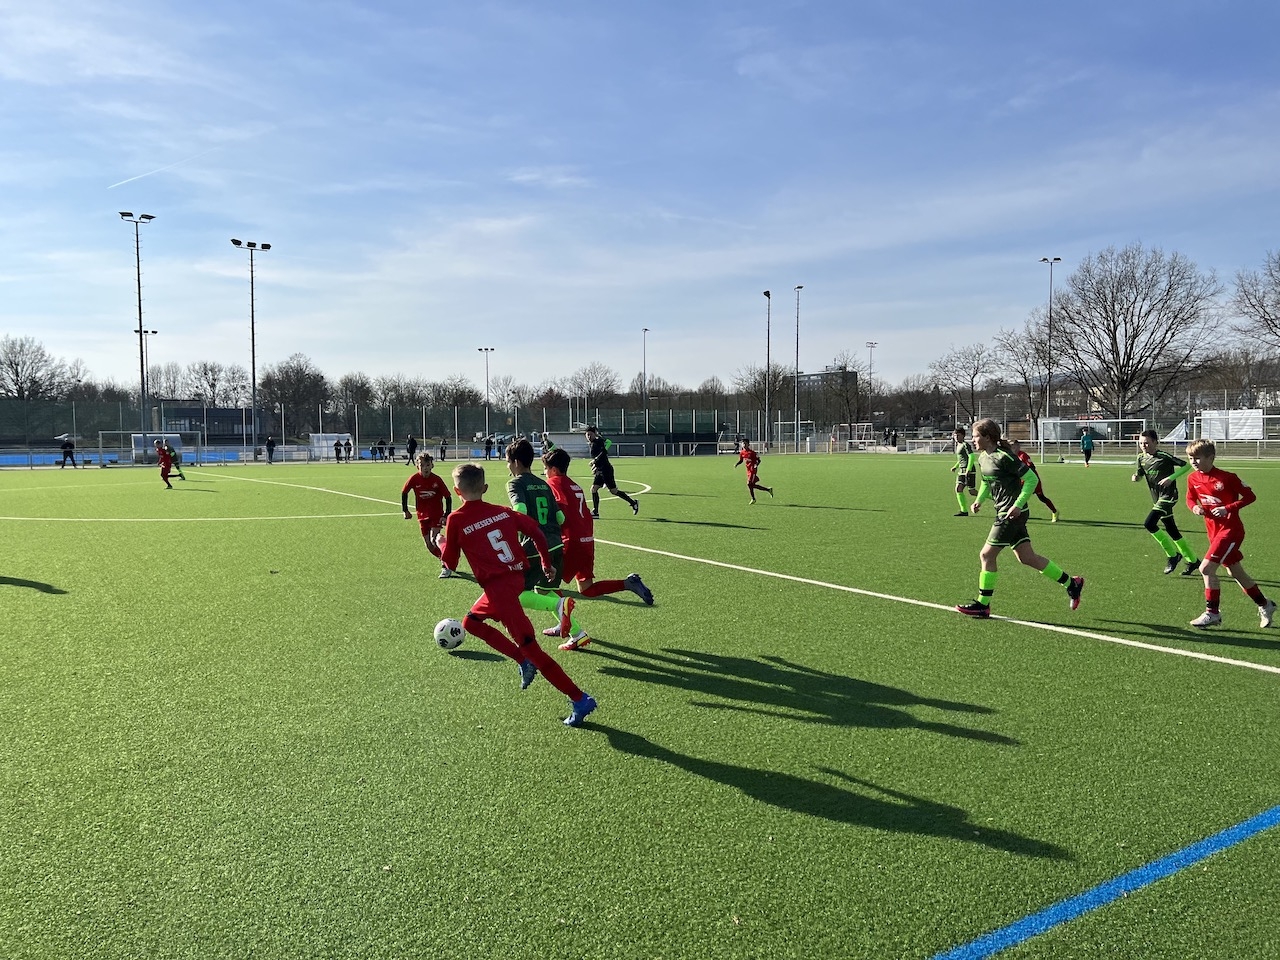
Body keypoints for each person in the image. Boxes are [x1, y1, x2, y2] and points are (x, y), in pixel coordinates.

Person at [439, 462, 598, 727]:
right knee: (471, 623)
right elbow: (535, 530)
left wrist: (442, 542)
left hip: (500, 590)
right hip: (515, 579)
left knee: (533, 649)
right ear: (485, 488)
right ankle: (522, 660)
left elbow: (451, 563)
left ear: (457, 492)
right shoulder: (503, 512)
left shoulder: (456, 519)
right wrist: (546, 562)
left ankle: (579, 698)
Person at [956, 419, 1084, 618]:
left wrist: (1017, 504)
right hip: (1005, 512)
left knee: (986, 555)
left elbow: (1031, 479)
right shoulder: (983, 457)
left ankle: (983, 604)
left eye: (975, 436)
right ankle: (1072, 583)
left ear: (987, 437)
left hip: (1012, 514)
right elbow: (987, 482)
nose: (973, 440)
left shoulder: (1005, 456)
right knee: (1027, 558)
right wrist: (979, 500)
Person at [543, 446, 654, 650]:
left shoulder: (553, 483)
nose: (545, 473)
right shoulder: (575, 485)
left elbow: (560, 509)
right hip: (587, 539)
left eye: (546, 469)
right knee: (586, 589)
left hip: (571, 541)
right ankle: (628, 583)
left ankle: (572, 631)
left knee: (547, 585)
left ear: (554, 470)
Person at [1184, 439, 1275, 629]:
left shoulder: (1227, 478)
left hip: (1230, 531)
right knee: (1235, 571)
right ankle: (1265, 605)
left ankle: (1212, 613)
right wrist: (1194, 508)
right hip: (1213, 532)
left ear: (1211, 457)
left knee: (1206, 569)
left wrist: (1228, 508)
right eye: (1190, 458)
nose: (1193, 462)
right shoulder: (1193, 478)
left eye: (1197, 458)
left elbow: (1250, 496)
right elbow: (1190, 498)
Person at [504, 438, 586, 646]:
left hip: (534, 547)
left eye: (508, 462)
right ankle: (577, 633)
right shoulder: (544, 484)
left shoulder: (515, 483)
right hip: (556, 544)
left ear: (515, 462)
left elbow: (520, 510)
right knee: (544, 591)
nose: (508, 467)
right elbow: (560, 518)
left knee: (515, 594)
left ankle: (561, 606)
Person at [1131, 430, 1199, 575]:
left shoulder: (1163, 457)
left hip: (1169, 496)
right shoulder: (1140, 458)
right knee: (1171, 529)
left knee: (1149, 523)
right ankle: (1193, 560)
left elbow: (1186, 466)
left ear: (1155, 442)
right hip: (1156, 498)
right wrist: (1136, 477)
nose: (1143, 446)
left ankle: (1172, 556)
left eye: (1147, 443)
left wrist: (1171, 478)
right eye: (1141, 443)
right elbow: (1140, 474)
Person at [402, 452, 453, 578]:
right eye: (422, 465)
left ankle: (445, 566)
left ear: (432, 466)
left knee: (433, 539)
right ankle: (447, 559)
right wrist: (405, 510)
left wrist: (446, 514)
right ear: (417, 466)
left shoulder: (437, 480)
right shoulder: (414, 479)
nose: (425, 468)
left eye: (428, 465)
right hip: (422, 515)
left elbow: (448, 496)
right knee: (429, 546)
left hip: (436, 514)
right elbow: (404, 492)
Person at [585, 425, 640, 517]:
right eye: (587, 435)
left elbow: (603, 453)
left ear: (595, 434)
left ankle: (633, 503)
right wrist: (595, 467)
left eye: (590, 434)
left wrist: (595, 460)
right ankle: (595, 512)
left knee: (614, 491)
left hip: (606, 470)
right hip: (600, 470)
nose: (589, 436)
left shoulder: (598, 442)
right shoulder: (592, 443)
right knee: (593, 489)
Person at [1008, 439, 1059, 522]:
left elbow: (1032, 467)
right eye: (1012, 446)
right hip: (1021, 480)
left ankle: (1054, 512)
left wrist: (1022, 471)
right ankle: (1020, 513)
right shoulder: (1011, 456)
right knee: (1018, 496)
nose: (1014, 448)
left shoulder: (1023, 455)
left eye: (1015, 446)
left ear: (1018, 446)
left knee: (1041, 497)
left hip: (1032, 480)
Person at [734, 437, 774, 504]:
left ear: (748, 444)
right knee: (751, 485)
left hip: (753, 470)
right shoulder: (742, 452)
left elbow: (759, 460)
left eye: (745, 443)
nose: (743, 445)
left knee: (749, 483)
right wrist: (737, 464)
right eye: (743, 443)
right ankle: (768, 490)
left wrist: (756, 465)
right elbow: (741, 460)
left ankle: (753, 499)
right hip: (748, 470)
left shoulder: (752, 453)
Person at [951, 427, 978, 517]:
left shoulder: (965, 445)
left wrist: (968, 469)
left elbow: (972, 456)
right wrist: (955, 467)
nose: (956, 437)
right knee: (958, 489)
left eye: (958, 435)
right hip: (961, 471)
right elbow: (962, 459)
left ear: (963, 436)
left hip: (968, 471)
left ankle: (993, 497)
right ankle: (964, 511)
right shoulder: (958, 445)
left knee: (972, 492)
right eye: (955, 435)